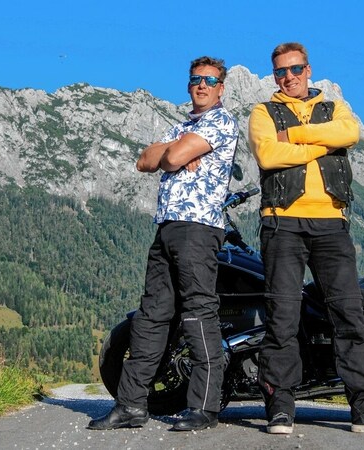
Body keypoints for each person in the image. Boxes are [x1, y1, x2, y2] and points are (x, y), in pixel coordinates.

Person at [248, 42, 364, 435]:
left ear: (309, 70)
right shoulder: (262, 112)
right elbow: (269, 156)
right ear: (274, 75)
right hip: (282, 225)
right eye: (280, 72)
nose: (288, 77)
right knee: (283, 319)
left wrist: (296, 135)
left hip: (331, 225)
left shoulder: (334, 106)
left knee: (349, 315)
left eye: (295, 69)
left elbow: (350, 131)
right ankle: (280, 409)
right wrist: (324, 142)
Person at [88, 56, 238, 432]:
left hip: (198, 228)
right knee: (151, 317)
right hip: (167, 227)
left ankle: (203, 408)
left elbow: (169, 155)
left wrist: (172, 153)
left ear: (220, 88)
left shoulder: (222, 121)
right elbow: (145, 160)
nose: (201, 85)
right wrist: (176, 151)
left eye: (209, 80)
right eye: (195, 79)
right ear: (189, 85)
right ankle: (131, 406)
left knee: (198, 312)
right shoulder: (181, 125)